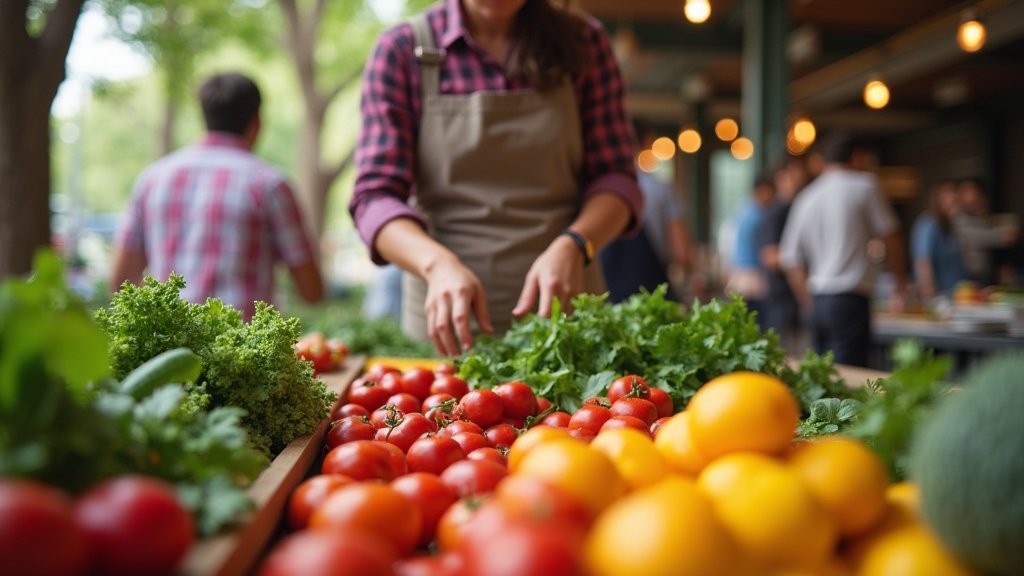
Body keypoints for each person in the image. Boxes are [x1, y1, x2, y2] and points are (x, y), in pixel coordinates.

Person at [349, 0, 642, 356]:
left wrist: (576, 245)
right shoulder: (402, 50)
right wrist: (437, 264)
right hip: (447, 327)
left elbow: (617, 180)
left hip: (568, 319)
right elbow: (374, 199)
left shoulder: (583, 42)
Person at [109, 72, 324, 320]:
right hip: (244, 355)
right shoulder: (270, 185)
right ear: (256, 123)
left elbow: (120, 281)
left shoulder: (152, 180)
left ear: (204, 116)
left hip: (170, 354)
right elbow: (312, 291)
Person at [779, 133, 908, 367]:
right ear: (858, 157)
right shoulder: (865, 185)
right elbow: (892, 237)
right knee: (850, 382)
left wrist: (809, 302)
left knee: (821, 379)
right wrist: (899, 284)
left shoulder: (807, 196)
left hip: (818, 299)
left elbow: (790, 259)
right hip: (850, 300)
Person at [600, 121, 696, 303]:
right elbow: (681, 253)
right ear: (645, 143)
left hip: (606, 297)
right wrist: (692, 278)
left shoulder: (597, 192)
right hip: (652, 299)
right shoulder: (662, 190)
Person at [758, 156, 810, 353]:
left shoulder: (800, 206)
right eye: (794, 172)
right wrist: (801, 258)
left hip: (796, 299)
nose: (800, 176)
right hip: (782, 299)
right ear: (780, 177)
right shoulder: (777, 211)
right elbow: (769, 256)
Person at [726, 176, 774, 328]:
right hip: (753, 278)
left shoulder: (743, 211)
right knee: (757, 325)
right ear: (762, 191)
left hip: (739, 275)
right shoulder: (759, 216)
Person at [953, 177, 1019, 286]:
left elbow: (1003, 230)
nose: (972, 196)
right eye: (968, 192)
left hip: (988, 274)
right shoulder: (958, 216)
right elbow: (979, 237)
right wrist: (1002, 236)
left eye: (975, 192)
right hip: (969, 276)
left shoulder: (980, 213)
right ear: (961, 195)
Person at [910, 180, 966, 301]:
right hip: (939, 297)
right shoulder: (928, 224)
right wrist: (931, 296)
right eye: (950, 197)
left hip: (956, 295)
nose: (954, 202)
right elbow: (923, 262)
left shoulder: (951, 225)